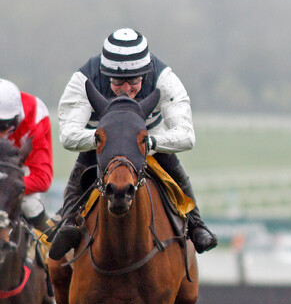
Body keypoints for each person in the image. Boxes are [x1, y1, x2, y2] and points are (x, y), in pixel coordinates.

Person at [49, 28, 217, 260]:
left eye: (134, 81)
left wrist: (149, 142)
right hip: (103, 147)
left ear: (146, 74)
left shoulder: (165, 78)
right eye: (118, 81)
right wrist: (105, 140)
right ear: (105, 74)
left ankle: (196, 225)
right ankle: (67, 222)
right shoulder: (83, 79)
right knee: (82, 167)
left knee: (174, 170)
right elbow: (68, 135)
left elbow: (187, 135)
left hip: (146, 141)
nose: (126, 89)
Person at [0, 78, 53, 231]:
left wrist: (7, 185)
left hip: (18, 172)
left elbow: (42, 178)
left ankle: (57, 248)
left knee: (30, 205)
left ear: (17, 119)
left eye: (3, 127)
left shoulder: (36, 116)